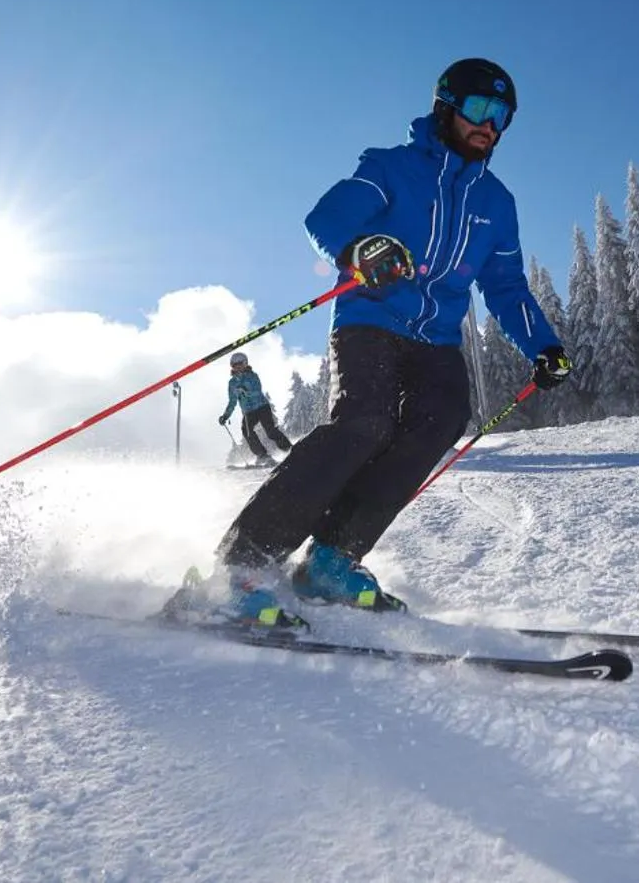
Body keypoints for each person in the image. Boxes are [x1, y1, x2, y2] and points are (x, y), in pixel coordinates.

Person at [177, 58, 570, 628]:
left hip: (435, 338)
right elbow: (327, 216)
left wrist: (543, 344)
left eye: (503, 116)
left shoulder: (496, 203)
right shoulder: (391, 167)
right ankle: (238, 567)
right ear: (447, 106)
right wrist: (361, 247)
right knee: (364, 422)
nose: (490, 125)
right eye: (481, 109)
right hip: (371, 320)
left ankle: (333, 559)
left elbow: (506, 286)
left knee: (442, 418)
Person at [220, 352, 292, 465]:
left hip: (261, 407)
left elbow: (257, 391)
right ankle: (263, 455)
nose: (237, 367)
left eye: (240, 364)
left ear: (245, 364)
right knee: (247, 432)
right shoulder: (232, 383)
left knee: (270, 431)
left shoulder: (252, 376)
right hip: (248, 412)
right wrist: (226, 415)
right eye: (234, 365)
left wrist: (246, 392)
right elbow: (232, 401)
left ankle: (289, 449)